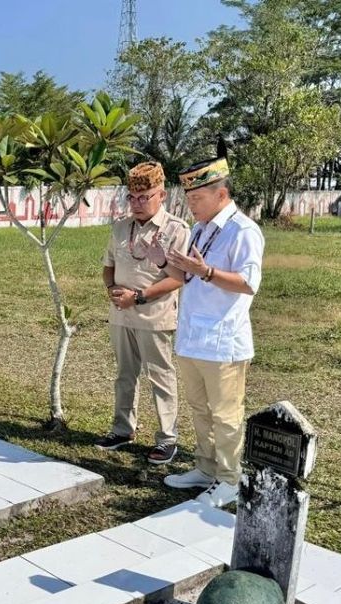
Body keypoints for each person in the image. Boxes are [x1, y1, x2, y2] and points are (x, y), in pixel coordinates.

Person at [155, 154, 265, 507]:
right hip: (192, 337)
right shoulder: (202, 229)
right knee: (199, 409)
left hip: (222, 341)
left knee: (226, 414)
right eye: (188, 199)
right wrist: (167, 260)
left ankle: (230, 478)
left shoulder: (243, 231)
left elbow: (249, 283)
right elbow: (189, 274)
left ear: (221, 194)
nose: (191, 206)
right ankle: (205, 467)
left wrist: (206, 272)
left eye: (197, 199)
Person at [97, 162, 190, 465]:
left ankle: (167, 439)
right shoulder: (121, 227)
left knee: (160, 376)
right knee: (125, 374)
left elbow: (177, 278)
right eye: (132, 197)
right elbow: (109, 264)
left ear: (161, 195)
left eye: (144, 197)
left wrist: (137, 297)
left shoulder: (175, 229)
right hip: (121, 314)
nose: (137, 204)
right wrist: (111, 288)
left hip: (155, 316)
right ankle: (122, 429)